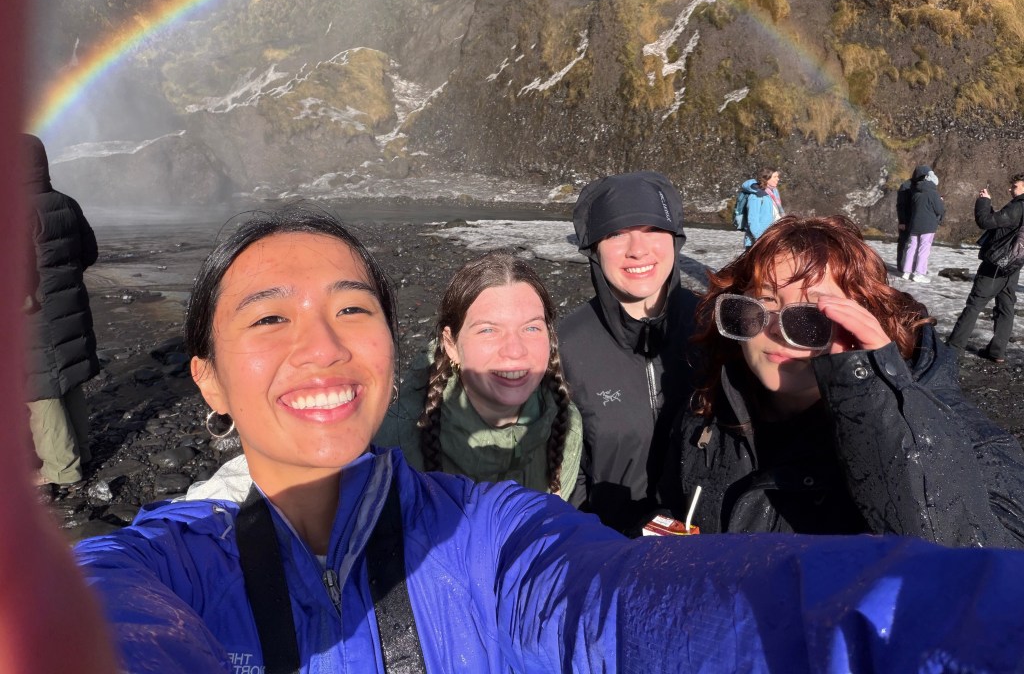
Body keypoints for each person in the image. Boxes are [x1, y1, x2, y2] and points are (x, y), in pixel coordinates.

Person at [3, 205, 1024, 673]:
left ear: (391, 351)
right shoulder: (159, 563)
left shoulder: (492, 536)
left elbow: (642, 607)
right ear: (208, 382)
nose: (320, 345)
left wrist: (969, 624)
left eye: (352, 309)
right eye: (269, 317)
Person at [673, 214, 1024, 546]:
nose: (778, 331)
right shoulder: (709, 405)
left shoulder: (971, 441)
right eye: (764, 301)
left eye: (812, 315)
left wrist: (871, 402)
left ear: (868, 319)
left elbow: (990, 566)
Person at [375, 250, 583, 499]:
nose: (515, 350)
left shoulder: (565, 423)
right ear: (451, 344)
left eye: (531, 328)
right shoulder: (396, 439)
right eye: (488, 330)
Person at [558, 171, 698, 534]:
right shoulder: (564, 345)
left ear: (675, 239)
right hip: (609, 548)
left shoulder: (713, 328)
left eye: (653, 229)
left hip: (709, 549)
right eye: (616, 233)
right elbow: (564, 473)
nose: (638, 248)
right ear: (594, 248)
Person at [21, 133, 100, 488]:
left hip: (35, 317)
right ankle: (82, 452)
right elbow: (89, 253)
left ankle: (61, 469)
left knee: (41, 391)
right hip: (70, 307)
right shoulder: (66, 203)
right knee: (68, 382)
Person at [947, 172, 1024, 364]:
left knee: (975, 304)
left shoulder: (1018, 206)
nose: (1010, 189)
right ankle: (997, 352)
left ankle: (954, 348)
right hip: (1014, 265)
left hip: (997, 265)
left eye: (1015, 186)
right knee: (1006, 307)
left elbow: (985, 222)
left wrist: (983, 201)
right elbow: (1004, 225)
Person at [899, 165, 944, 283]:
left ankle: (906, 271)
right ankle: (919, 273)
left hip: (914, 224)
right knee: (924, 249)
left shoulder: (915, 193)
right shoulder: (933, 194)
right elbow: (939, 210)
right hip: (928, 226)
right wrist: (940, 202)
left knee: (911, 247)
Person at [738, 167, 784, 248]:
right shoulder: (756, 196)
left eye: (777, 176)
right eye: (775, 177)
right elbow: (753, 221)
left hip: (772, 239)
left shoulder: (774, 193)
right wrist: (760, 240)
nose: (778, 179)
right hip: (758, 242)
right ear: (767, 178)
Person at [894, 172, 912, 271]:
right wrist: (902, 221)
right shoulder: (907, 186)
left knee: (906, 242)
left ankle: (903, 265)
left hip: (909, 219)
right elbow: (901, 206)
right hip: (907, 219)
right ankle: (901, 266)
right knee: (904, 242)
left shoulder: (908, 185)